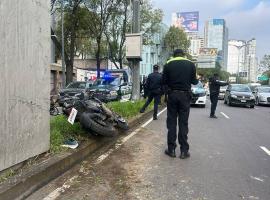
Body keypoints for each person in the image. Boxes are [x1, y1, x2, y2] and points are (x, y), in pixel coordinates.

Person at [162, 49, 198, 159]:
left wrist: (167, 92)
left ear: (174, 55)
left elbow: (164, 81)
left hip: (172, 95)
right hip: (185, 96)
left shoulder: (168, 64)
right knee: (183, 123)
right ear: (183, 55)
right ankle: (184, 151)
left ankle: (171, 150)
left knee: (171, 123)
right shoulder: (190, 64)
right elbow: (194, 81)